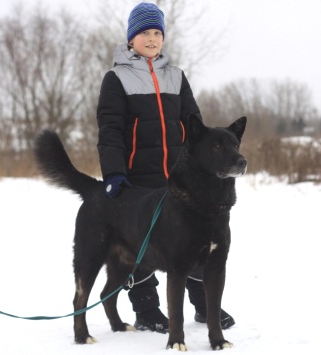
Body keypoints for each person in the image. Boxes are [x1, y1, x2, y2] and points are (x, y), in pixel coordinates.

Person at [96, 2, 235, 333]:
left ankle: (204, 305)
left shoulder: (176, 75)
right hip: (138, 179)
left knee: (195, 239)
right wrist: (114, 173)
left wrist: (203, 166)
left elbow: (194, 127)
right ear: (131, 39)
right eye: (145, 32)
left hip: (180, 178)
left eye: (158, 32)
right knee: (145, 245)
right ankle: (146, 309)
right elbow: (110, 131)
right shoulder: (116, 78)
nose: (153, 38)